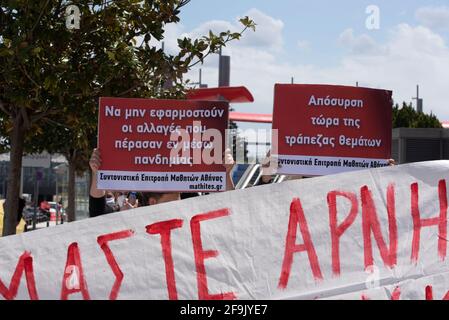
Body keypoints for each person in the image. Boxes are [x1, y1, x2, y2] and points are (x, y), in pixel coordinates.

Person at [89, 147, 236, 217]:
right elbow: (97, 211)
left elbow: (229, 210)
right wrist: (97, 173)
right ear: (153, 202)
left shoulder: (191, 216)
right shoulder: (133, 218)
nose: (179, 207)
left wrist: (225, 173)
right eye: (173, 202)